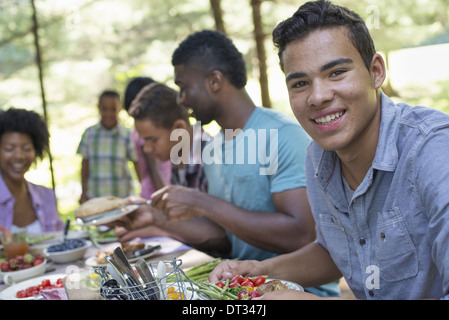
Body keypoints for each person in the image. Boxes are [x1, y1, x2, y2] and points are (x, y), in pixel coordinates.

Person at [209, 0, 449, 300]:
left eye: (336, 72)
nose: (318, 96)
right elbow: (339, 251)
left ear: (375, 71)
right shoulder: (318, 157)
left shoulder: (435, 150)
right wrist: (259, 272)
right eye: (300, 83)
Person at [117, 29, 339, 297]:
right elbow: (224, 235)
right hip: (240, 292)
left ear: (214, 81)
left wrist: (201, 202)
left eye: (184, 87)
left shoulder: (281, 135)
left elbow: (300, 234)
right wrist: (155, 217)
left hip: (297, 292)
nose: (181, 99)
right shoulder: (214, 148)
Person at [116, 81, 208, 242]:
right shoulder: (178, 154)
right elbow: (183, 220)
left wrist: (159, 229)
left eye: (152, 140)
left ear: (179, 128)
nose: (147, 149)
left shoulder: (206, 159)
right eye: (144, 141)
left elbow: (217, 234)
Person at [0, 107, 64, 233]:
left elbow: (62, 242)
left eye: (27, 148)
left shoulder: (46, 196)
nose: (19, 156)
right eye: (9, 149)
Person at [77, 90, 141, 203]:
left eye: (113, 109)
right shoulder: (89, 134)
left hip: (121, 198)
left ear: (119, 109)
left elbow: (137, 163)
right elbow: (85, 164)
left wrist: (143, 190)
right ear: (99, 108)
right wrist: (83, 192)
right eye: (104, 109)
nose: (108, 114)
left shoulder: (127, 135)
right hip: (96, 198)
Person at [123, 77, 172, 200]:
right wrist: (166, 198)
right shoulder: (145, 134)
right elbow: (152, 169)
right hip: (158, 192)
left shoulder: (140, 131)